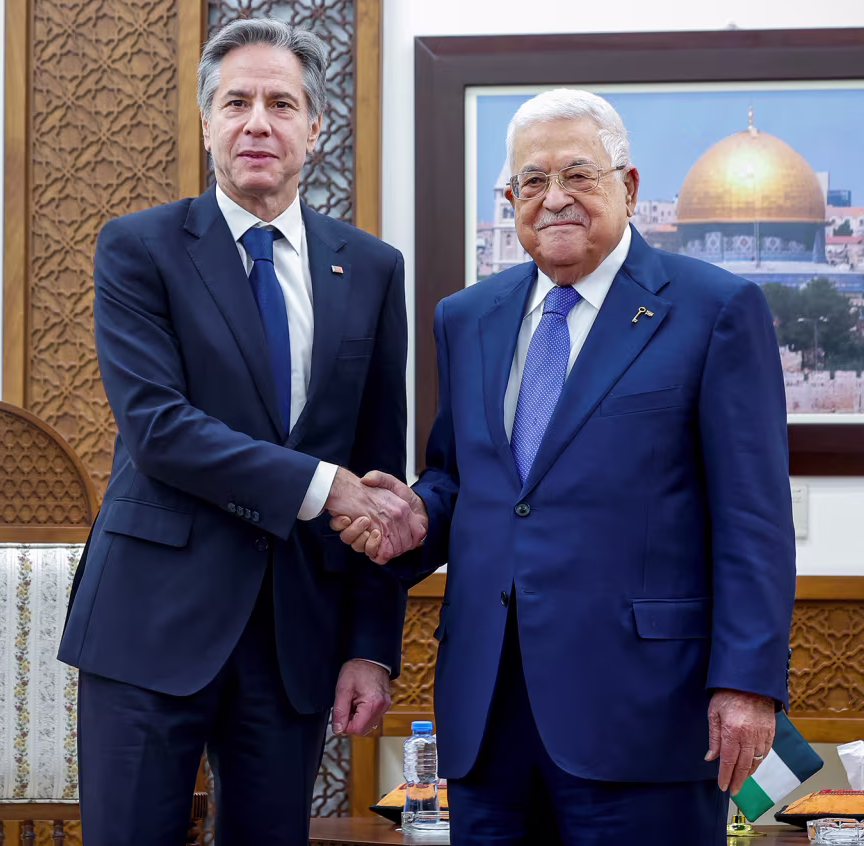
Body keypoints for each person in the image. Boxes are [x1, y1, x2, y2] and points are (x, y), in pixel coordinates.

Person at [334, 89, 796, 846]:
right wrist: (416, 516)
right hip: (488, 715)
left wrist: (746, 684)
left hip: (644, 714)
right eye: (531, 182)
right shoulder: (467, 317)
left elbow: (752, 516)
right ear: (509, 198)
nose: (554, 200)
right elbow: (466, 480)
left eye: (579, 176)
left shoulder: (713, 309)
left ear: (630, 186)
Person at [58, 18, 423, 846]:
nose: (258, 121)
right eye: (237, 102)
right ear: (206, 123)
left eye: (281, 103)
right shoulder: (139, 248)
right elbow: (158, 429)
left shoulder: (369, 268)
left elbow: (378, 469)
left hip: (293, 636)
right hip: (149, 624)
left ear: (315, 127)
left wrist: (371, 647)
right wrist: (321, 484)